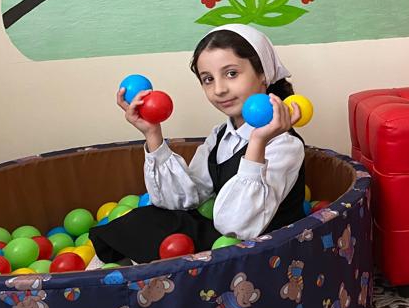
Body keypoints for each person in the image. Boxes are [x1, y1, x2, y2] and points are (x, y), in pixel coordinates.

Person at [89, 24, 306, 265]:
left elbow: (237, 227)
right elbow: (186, 199)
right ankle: (94, 278)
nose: (219, 89)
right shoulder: (220, 135)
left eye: (231, 73)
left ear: (263, 74)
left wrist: (258, 140)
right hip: (221, 239)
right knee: (144, 219)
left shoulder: (285, 144)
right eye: (208, 79)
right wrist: (152, 133)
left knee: (150, 226)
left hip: (260, 253)